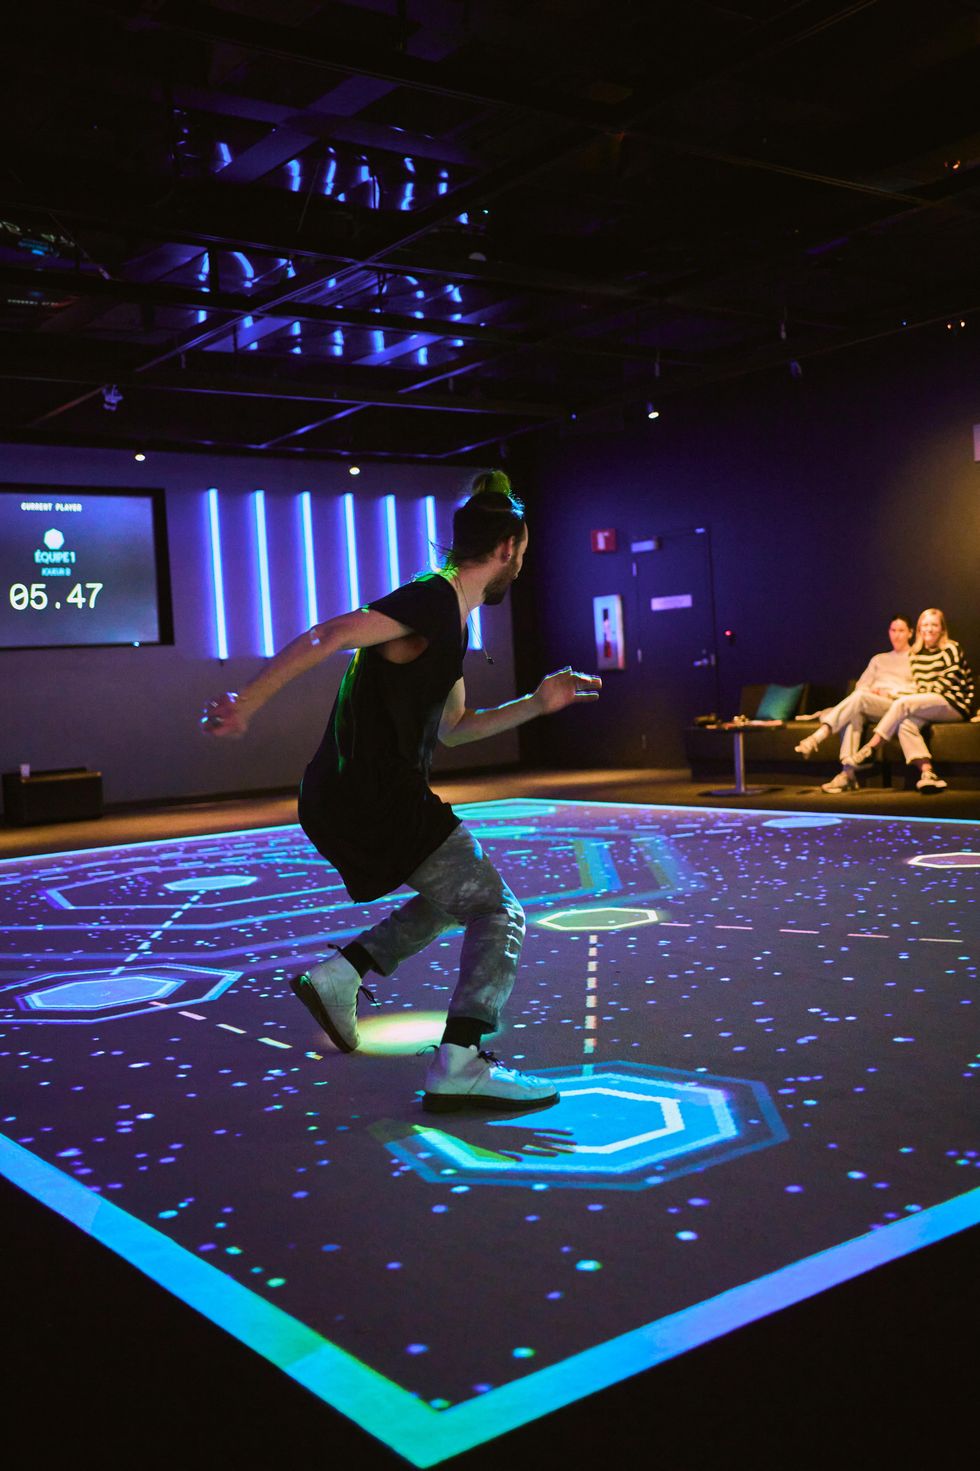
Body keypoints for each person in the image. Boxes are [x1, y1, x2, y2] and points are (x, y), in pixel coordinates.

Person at [202, 471, 601, 1111]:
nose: (522, 567)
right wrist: (245, 704)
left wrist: (538, 702)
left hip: (354, 796)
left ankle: (343, 973)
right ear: (505, 549)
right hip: (375, 796)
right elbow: (328, 635)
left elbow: (459, 730)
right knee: (500, 911)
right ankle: (461, 1061)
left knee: (456, 896)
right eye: (522, 553)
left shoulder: (450, 619)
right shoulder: (433, 601)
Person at [848, 608, 974, 792]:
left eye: (934, 625)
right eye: (925, 625)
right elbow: (921, 687)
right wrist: (900, 695)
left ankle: (871, 749)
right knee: (905, 723)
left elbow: (945, 685)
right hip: (930, 705)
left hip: (954, 704)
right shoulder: (916, 655)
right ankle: (928, 773)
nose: (929, 629)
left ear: (942, 629)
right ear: (919, 629)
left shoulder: (951, 648)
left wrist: (906, 697)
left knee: (903, 704)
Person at [795, 616, 915, 793]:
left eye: (901, 631)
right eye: (893, 630)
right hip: (871, 703)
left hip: (896, 706)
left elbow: (918, 690)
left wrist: (890, 693)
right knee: (854, 713)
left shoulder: (916, 658)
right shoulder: (879, 659)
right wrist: (872, 691)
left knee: (858, 699)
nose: (896, 635)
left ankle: (818, 736)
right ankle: (847, 774)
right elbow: (861, 686)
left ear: (910, 633)